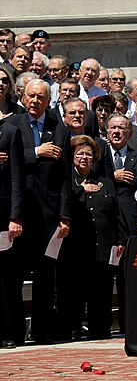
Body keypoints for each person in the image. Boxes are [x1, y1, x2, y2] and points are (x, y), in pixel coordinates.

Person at [4, 79, 72, 344]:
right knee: (13, 276)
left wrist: (65, 215)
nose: (35, 101)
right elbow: (9, 163)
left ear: (48, 100)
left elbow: (65, 176)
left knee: (46, 276)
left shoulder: (60, 130)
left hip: (48, 214)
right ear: (22, 96)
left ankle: (44, 332)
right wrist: (36, 152)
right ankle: (13, 333)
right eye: (31, 96)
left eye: (40, 97)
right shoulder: (11, 126)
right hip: (19, 211)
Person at [56, 135, 125, 341]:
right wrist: (80, 189)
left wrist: (120, 241)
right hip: (76, 247)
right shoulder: (66, 180)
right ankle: (73, 329)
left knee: (101, 291)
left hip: (102, 246)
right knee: (74, 292)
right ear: (72, 156)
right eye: (80, 154)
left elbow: (116, 214)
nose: (84, 158)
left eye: (88, 154)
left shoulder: (104, 182)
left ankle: (100, 330)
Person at [105, 113, 137, 332]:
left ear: (130, 134)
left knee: (127, 274)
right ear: (107, 131)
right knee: (104, 274)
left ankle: (127, 324)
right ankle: (101, 325)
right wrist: (113, 176)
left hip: (130, 221)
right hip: (105, 221)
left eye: (122, 128)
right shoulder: (100, 156)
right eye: (113, 128)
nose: (117, 132)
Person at [0, 110, 25, 348]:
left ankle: (6, 331)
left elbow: (17, 178)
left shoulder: (9, 133)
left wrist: (15, 217)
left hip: (2, 217)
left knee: (5, 278)